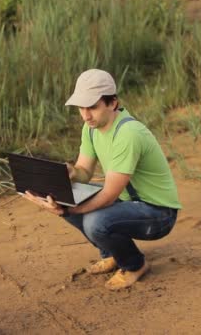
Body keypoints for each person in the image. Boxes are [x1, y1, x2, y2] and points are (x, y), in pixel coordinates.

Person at [23, 69, 181, 290]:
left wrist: (68, 211)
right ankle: (112, 253)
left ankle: (134, 265)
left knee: (94, 221)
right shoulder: (91, 129)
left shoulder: (128, 134)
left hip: (158, 213)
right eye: (81, 108)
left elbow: (108, 196)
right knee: (68, 196)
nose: (86, 115)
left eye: (93, 107)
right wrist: (69, 172)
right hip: (128, 203)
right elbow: (83, 172)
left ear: (113, 103)